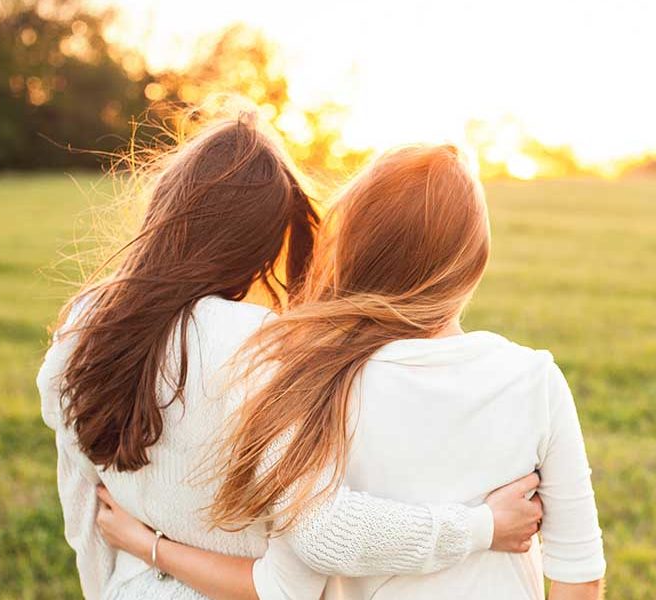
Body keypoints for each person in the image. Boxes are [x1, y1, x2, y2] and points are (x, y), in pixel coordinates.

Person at [37, 118, 543, 600]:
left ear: (167, 206)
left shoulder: (84, 327)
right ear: (263, 244)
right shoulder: (262, 348)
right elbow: (296, 574)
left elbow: (86, 522)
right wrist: (480, 527)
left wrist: (141, 558)